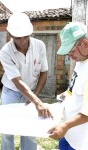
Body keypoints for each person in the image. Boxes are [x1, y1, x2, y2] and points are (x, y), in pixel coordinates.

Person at [0, 12, 52, 150]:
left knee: (29, 127)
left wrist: (35, 95)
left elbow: (44, 73)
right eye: (18, 37)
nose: (23, 41)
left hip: (32, 91)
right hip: (11, 92)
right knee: (7, 129)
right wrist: (37, 102)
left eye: (26, 36)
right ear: (10, 34)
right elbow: (17, 81)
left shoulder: (39, 45)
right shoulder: (5, 52)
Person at [48, 22, 88, 150]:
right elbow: (74, 88)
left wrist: (65, 126)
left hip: (81, 141)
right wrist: (66, 93)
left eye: (71, 51)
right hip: (69, 133)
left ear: (85, 44)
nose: (70, 56)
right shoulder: (81, 60)